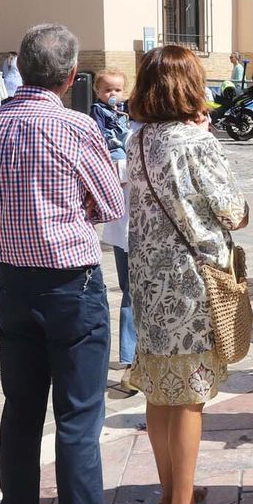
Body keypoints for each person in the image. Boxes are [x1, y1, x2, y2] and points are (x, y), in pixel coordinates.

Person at [0, 24, 146, 504]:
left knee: (21, 412)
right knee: (77, 419)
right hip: (69, 284)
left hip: (12, 283)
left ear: (21, 69)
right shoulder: (75, 126)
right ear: (72, 76)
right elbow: (111, 202)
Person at [126, 44, 249, 504]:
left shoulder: (138, 140)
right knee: (190, 397)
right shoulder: (196, 142)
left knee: (160, 390)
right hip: (190, 282)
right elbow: (233, 211)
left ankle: (169, 497)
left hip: (147, 280)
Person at [91, 69, 136, 388]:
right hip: (122, 213)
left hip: (135, 213)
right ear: (97, 91)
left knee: (135, 288)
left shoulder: (132, 119)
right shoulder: (96, 118)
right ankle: (130, 355)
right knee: (130, 287)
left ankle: (136, 353)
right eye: (108, 90)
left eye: (118, 90)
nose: (113, 95)